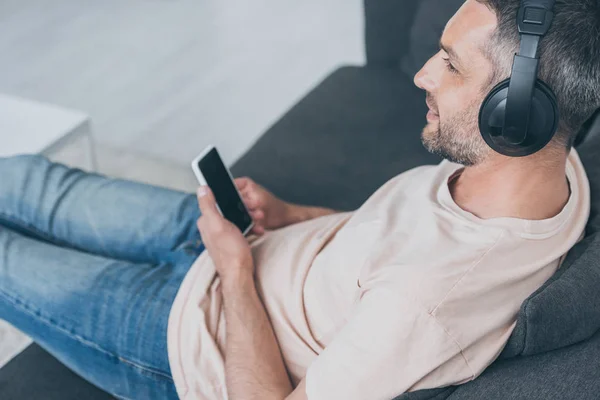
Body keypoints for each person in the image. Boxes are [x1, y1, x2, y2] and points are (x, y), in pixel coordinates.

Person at [1, 0, 599, 399]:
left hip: (194, 332)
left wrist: (235, 272)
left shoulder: (428, 302)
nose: (421, 75)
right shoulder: (552, 169)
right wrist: (290, 217)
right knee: (29, 179)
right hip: (250, 244)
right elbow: (385, 243)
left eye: (449, 64)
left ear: (515, 115)